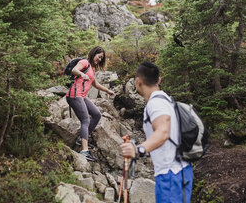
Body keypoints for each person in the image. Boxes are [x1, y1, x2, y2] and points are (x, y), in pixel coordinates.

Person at [120, 61, 193, 203]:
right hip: (179, 171)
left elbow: (163, 132)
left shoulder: (156, 103)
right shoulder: (166, 99)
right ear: (159, 80)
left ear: (138, 81)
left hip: (171, 174)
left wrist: (139, 149)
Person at [66, 46, 115, 162]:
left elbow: (95, 84)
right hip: (74, 95)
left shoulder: (92, 69)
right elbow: (74, 70)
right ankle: (84, 151)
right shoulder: (84, 62)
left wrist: (107, 91)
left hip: (82, 96)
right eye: (99, 57)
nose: (99, 60)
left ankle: (81, 139)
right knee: (85, 120)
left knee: (97, 114)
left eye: (101, 58)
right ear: (94, 54)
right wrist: (82, 75)